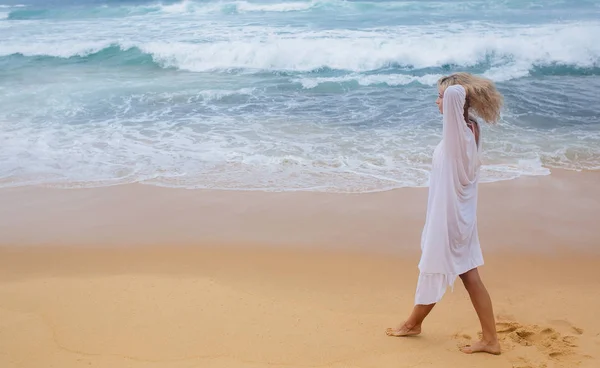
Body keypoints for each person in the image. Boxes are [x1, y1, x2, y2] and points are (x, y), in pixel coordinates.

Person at [386, 72, 504, 355]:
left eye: (440, 96)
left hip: (450, 219)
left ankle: (413, 324)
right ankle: (488, 339)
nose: (437, 101)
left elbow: (453, 96)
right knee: (466, 275)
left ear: (457, 102)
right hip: (459, 215)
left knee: (435, 268)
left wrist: (458, 86)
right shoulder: (471, 128)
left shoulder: (457, 131)